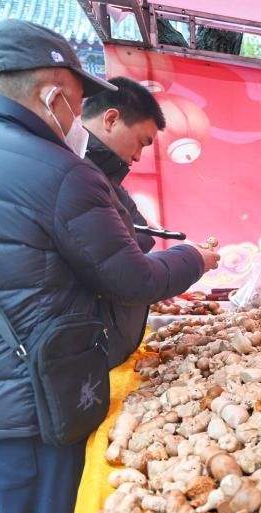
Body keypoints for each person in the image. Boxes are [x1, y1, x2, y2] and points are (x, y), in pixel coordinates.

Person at [0, 19, 217, 513]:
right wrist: (199, 259)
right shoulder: (56, 170)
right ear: (54, 95)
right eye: (74, 103)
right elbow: (131, 274)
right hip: (29, 405)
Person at [82, 75, 177, 367]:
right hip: (86, 348)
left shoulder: (109, 179)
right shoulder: (77, 176)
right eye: (140, 143)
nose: (137, 156)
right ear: (111, 119)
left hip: (103, 344)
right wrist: (191, 258)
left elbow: (140, 231)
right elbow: (127, 273)